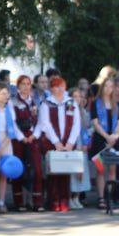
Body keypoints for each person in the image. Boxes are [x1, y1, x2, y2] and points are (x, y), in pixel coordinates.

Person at [34, 76, 82, 211]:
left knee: (65, 172)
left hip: (68, 143)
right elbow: (45, 124)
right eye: (56, 86)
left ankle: (64, 201)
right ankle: (53, 201)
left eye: (61, 86)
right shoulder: (46, 103)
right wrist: (56, 142)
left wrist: (70, 143)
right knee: (53, 172)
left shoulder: (71, 103)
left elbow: (76, 124)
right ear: (51, 89)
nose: (59, 89)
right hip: (52, 143)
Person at [0, 85, 24, 212]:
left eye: (7, 94)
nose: (6, 96)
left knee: (3, 172)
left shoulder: (10, 109)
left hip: (6, 141)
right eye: (3, 93)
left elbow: (11, 129)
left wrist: (2, 146)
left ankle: (1, 201)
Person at [88, 76, 119, 210]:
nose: (109, 89)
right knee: (100, 170)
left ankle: (110, 196)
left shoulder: (117, 104)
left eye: (111, 86)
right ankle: (101, 197)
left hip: (114, 140)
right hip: (100, 140)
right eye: (106, 86)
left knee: (112, 169)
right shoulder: (95, 103)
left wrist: (115, 136)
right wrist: (106, 136)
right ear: (102, 88)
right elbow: (95, 123)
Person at [9, 75, 44, 211]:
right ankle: (19, 202)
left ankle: (37, 201)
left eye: (28, 84)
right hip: (19, 139)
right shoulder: (13, 102)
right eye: (23, 84)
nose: (26, 86)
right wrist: (21, 137)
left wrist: (34, 135)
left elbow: (40, 121)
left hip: (33, 138)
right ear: (18, 86)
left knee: (36, 169)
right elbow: (12, 122)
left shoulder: (35, 102)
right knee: (18, 169)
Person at [69, 87, 92, 208]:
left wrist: (87, 141)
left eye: (80, 96)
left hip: (82, 145)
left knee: (82, 173)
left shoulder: (84, 112)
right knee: (73, 173)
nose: (78, 99)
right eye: (75, 96)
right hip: (73, 145)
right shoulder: (69, 110)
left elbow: (88, 128)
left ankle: (77, 197)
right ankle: (70, 197)